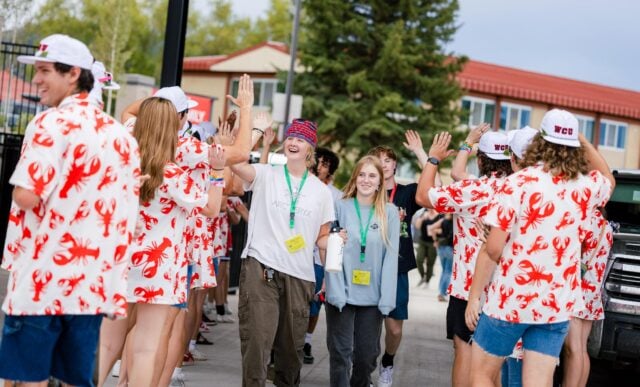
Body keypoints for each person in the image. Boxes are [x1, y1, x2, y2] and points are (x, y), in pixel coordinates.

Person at [0, 34, 140, 386]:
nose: (37, 79)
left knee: (25, 377)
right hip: (92, 280)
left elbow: (27, 195)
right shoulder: (121, 136)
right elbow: (127, 211)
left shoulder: (50, 124)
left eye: (45, 70)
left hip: (42, 278)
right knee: (75, 378)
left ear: (73, 73)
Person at [464, 109, 615, 387]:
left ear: (540, 142)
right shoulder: (584, 187)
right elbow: (608, 177)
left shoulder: (517, 183)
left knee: (481, 376)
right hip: (555, 304)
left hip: (511, 299)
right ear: (573, 145)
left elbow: (494, 249)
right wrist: (579, 136)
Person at [231, 119, 335, 386]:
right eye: (290, 137)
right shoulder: (266, 173)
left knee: (290, 353)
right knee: (258, 340)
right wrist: (254, 133)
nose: (293, 142)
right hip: (260, 265)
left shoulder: (322, 192)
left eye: (300, 139)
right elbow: (236, 164)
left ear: (310, 148)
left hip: (299, 275)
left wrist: (335, 247)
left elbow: (322, 238)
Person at [416, 125, 512, 387]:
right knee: (496, 361)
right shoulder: (519, 189)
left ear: (481, 160)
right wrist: (467, 145)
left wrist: (434, 158)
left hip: (467, 287)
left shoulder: (474, 189)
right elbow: (459, 174)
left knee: (464, 351)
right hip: (505, 289)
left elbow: (423, 195)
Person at [325, 155, 400, 387]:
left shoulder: (390, 212)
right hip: (342, 293)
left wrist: (387, 299)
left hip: (372, 297)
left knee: (366, 357)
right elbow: (333, 252)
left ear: (380, 181)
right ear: (355, 177)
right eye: (362, 174)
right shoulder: (340, 206)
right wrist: (335, 291)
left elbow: (391, 259)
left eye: (372, 175)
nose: (366, 180)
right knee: (340, 354)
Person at [367, 130, 427, 386]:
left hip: (397, 268)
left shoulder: (406, 193)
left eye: (388, 160)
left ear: (394, 165)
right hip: (368, 267)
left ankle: (387, 363)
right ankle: (362, 370)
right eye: (378, 160)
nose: (384, 164)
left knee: (393, 328)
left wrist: (420, 152)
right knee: (366, 329)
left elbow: (434, 188)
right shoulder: (366, 191)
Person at [562, 208, 612, 387]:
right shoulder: (606, 226)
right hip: (592, 292)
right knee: (582, 349)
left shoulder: (586, 220)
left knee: (572, 349)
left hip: (578, 291)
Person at [305, 147, 342, 364]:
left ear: (331, 169)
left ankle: (307, 340)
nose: (320, 166)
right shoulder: (303, 185)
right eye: (318, 161)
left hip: (320, 256)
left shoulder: (335, 195)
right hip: (299, 254)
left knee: (314, 303)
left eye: (325, 164)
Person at [413, 209, 442, 286]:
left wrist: (434, 230)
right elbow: (417, 226)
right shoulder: (424, 213)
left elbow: (443, 228)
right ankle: (422, 276)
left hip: (433, 242)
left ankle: (427, 280)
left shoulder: (439, 215)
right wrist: (422, 218)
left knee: (430, 262)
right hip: (423, 240)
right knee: (419, 259)